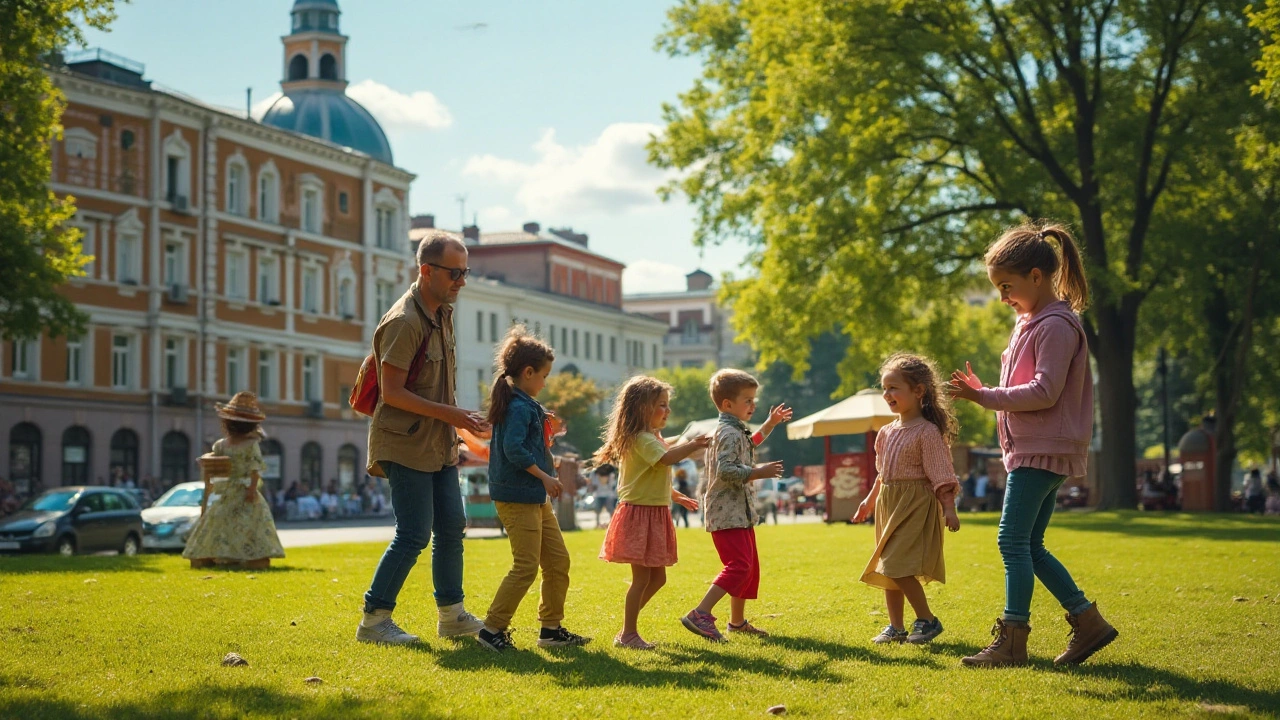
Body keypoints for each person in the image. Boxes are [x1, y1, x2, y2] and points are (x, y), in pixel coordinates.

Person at [950, 222, 1117, 667]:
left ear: (1037, 277)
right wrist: (986, 388)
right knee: (1030, 544)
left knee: (1010, 541)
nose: (1003, 297)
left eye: (1007, 286)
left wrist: (983, 397)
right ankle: (1089, 622)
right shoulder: (1030, 322)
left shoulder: (1056, 325)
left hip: (1043, 448)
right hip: (1035, 447)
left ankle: (1012, 640)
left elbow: (1045, 391)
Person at [356, 231, 490, 646]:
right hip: (403, 442)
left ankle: (451, 615)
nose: (461, 281)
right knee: (413, 533)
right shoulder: (404, 320)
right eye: (455, 273)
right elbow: (393, 393)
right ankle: (374, 621)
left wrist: (457, 424)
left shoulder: (442, 312)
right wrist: (455, 415)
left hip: (438, 443)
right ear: (426, 270)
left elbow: (436, 388)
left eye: (465, 272)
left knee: (452, 526)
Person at [475, 326, 590, 652]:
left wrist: (548, 439)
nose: (545, 382)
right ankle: (491, 630)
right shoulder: (518, 406)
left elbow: (526, 443)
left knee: (557, 562)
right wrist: (544, 475)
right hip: (517, 495)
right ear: (527, 373)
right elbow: (513, 450)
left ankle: (550, 630)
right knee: (525, 566)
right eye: (544, 375)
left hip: (533, 496)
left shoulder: (526, 404)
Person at [852, 354, 960, 646]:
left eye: (894, 388)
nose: (887, 395)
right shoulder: (886, 432)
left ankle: (928, 620)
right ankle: (896, 627)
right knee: (889, 564)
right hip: (890, 503)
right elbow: (882, 473)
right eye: (884, 388)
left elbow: (941, 474)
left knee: (896, 563)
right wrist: (869, 501)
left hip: (915, 504)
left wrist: (949, 508)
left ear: (918, 391)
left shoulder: (927, 432)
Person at [594, 376, 705, 649]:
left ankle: (626, 628)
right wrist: (692, 444)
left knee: (658, 578)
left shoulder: (652, 438)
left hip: (654, 513)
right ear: (642, 408)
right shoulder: (642, 439)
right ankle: (629, 633)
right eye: (661, 405)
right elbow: (666, 459)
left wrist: (677, 496)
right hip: (639, 516)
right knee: (642, 578)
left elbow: (654, 477)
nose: (667, 411)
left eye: (668, 405)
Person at [681, 369, 791, 641]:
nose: (753, 405)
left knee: (748, 567)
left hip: (739, 512)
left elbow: (750, 445)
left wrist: (769, 424)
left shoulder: (733, 430)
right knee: (739, 566)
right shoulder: (728, 433)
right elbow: (727, 470)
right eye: (748, 400)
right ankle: (700, 613)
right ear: (728, 404)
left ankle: (737, 622)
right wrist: (758, 472)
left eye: (754, 400)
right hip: (726, 512)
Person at [182, 392, 286, 570]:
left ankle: (242, 555)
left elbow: (255, 469)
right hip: (233, 490)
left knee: (235, 523)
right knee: (233, 523)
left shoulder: (239, 444)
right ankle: (228, 555)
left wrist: (252, 489)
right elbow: (251, 467)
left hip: (238, 490)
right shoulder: (228, 444)